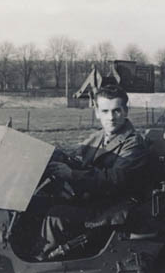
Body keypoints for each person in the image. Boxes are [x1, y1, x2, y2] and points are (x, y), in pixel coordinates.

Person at [35, 84, 149, 260]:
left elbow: (115, 179)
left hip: (111, 208)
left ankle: (41, 260)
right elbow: (76, 159)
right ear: (97, 112)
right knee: (38, 203)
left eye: (116, 111)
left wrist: (71, 174)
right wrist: (52, 157)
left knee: (55, 217)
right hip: (91, 199)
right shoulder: (97, 137)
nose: (111, 118)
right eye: (105, 111)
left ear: (126, 111)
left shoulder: (133, 144)